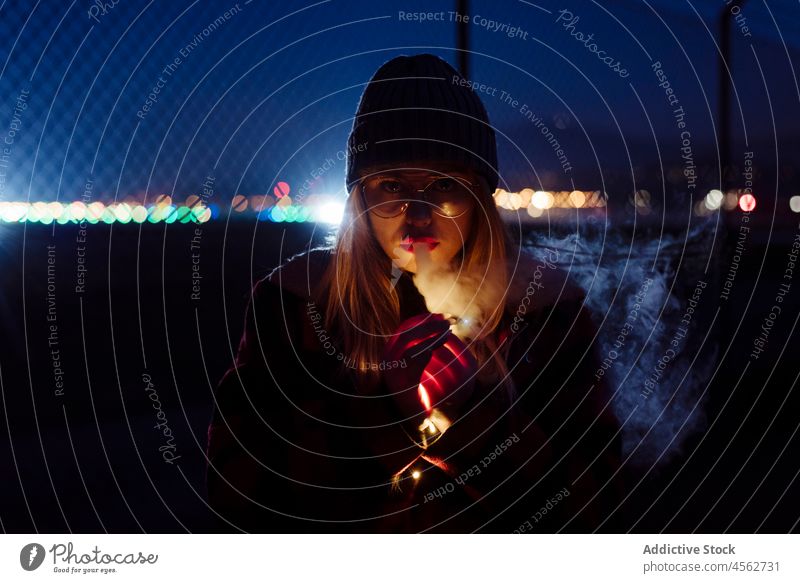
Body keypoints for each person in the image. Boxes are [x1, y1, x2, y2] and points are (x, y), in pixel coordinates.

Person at [206, 54, 622, 533]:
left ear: (480, 199)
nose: (418, 213)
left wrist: (478, 416)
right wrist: (390, 415)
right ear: (361, 197)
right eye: (392, 184)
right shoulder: (296, 308)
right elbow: (242, 497)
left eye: (444, 183)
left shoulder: (545, 312)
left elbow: (593, 504)